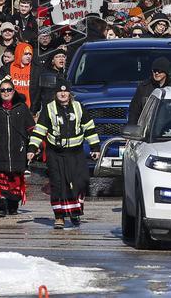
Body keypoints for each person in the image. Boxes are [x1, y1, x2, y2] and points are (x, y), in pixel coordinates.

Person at [27, 81, 100, 229]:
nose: (63, 94)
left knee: (80, 182)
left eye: (65, 91)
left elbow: (89, 128)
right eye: (60, 92)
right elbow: (39, 130)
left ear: (69, 93)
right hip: (56, 153)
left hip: (76, 153)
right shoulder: (49, 108)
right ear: (56, 93)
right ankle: (59, 216)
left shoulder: (79, 107)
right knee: (58, 184)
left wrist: (95, 147)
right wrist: (32, 148)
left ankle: (75, 212)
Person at [0, 81, 35, 217]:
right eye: (3, 90)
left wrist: (33, 147)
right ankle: (0, 206)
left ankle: (13, 204)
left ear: (13, 91)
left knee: (15, 180)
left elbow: (31, 127)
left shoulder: (22, 107)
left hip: (17, 150)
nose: (6, 92)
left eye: (9, 90)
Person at [128, 56, 171, 124]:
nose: (157, 73)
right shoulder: (143, 88)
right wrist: (132, 129)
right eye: (155, 70)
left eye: (160, 71)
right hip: (145, 128)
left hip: (167, 128)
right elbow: (134, 112)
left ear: (166, 72)